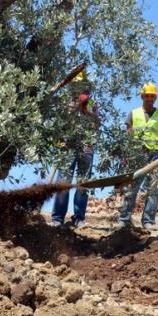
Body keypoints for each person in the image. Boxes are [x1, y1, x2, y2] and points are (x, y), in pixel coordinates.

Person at [117, 82, 158, 230]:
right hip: (137, 154)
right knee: (132, 187)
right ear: (142, 96)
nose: (149, 99)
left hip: (156, 155)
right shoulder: (133, 113)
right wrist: (126, 154)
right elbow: (127, 135)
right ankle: (124, 219)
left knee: (152, 189)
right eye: (147, 96)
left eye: (152, 96)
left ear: (156, 98)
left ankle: (148, 221)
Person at [51, 71, 100, 227]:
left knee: (82, 184)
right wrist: (59, 143)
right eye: (75, 84)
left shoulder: (92, 103)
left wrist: (87, 110)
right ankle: (57, 218)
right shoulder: (64, 101)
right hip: (67, 147)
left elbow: (97, 125)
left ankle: (79, 218)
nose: (78, 87)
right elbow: (58, 124)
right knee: (63, 183)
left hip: (86, 148)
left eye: (81, 85)